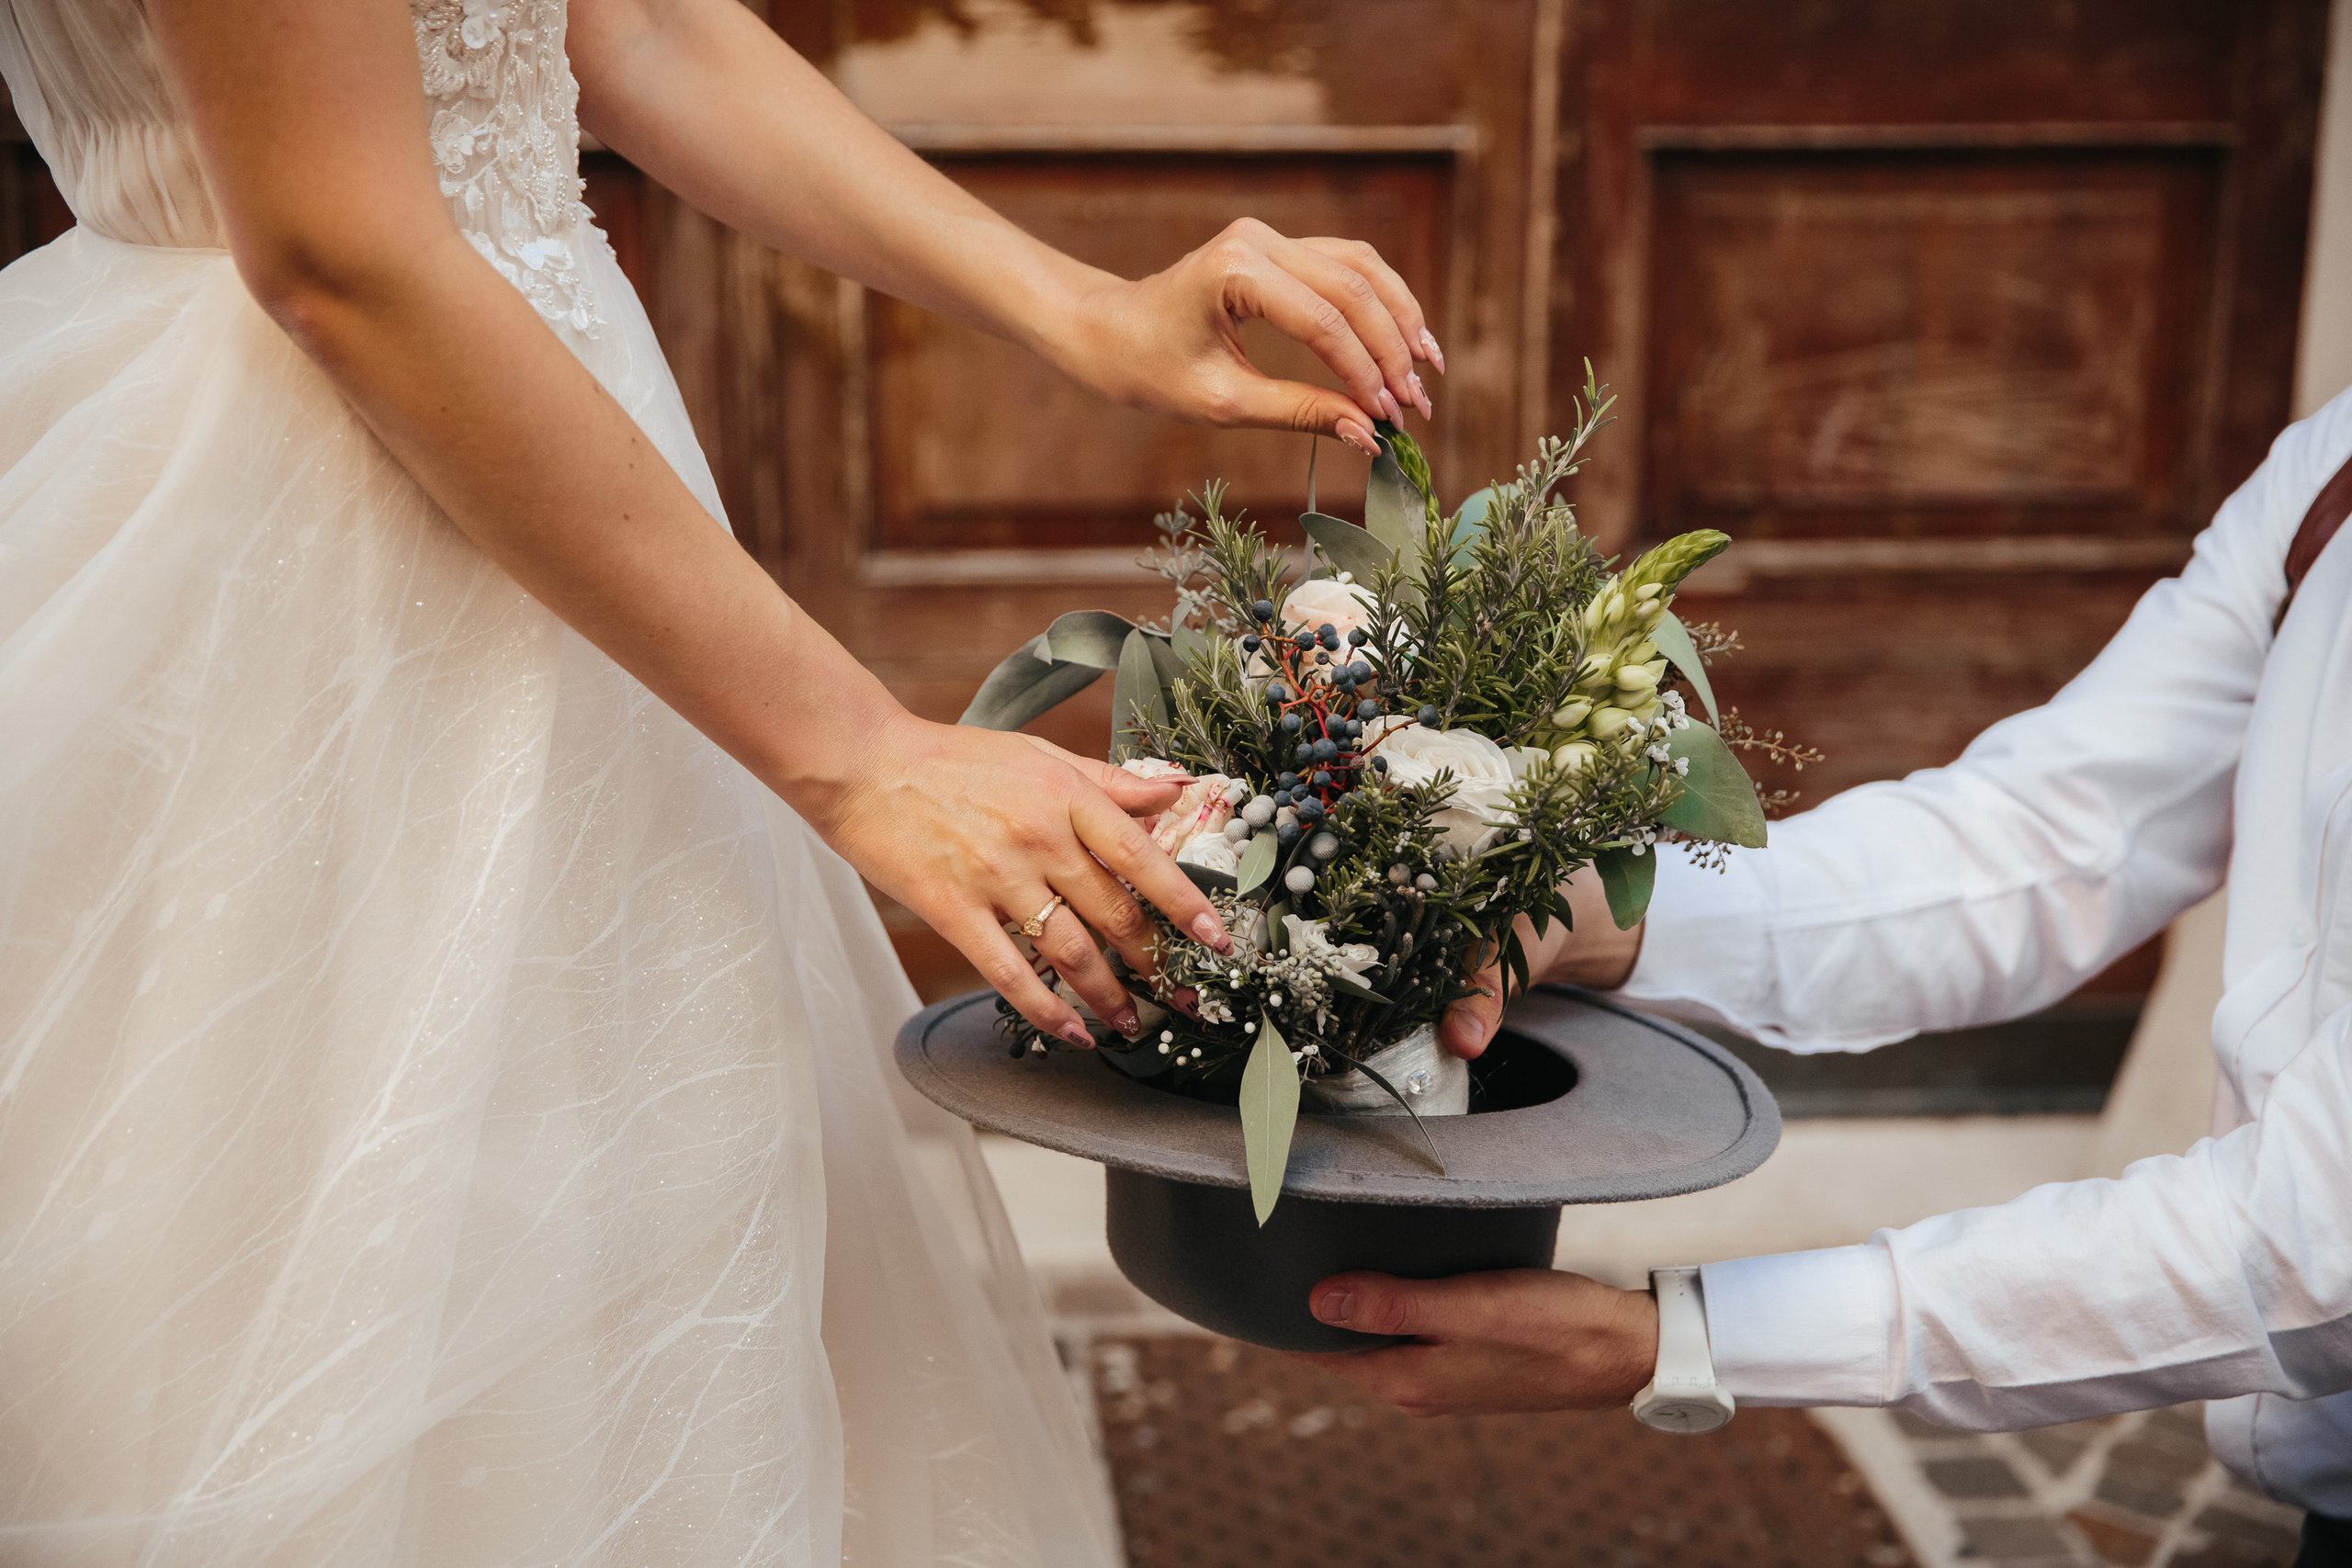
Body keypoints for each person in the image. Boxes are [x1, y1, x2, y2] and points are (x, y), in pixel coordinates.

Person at [0, 0, 1437, 1560]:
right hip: (298, 557)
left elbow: (625, 23)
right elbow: (341, 252)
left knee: (655, 1278)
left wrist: (1085, 309)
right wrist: (862, 753)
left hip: (589, 522)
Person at [1302, 389, 2352, 1555]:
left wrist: (1680, 1340)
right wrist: (1592, 920)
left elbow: (2316, 1243)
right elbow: (2053, 843)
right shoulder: (2331, 465)